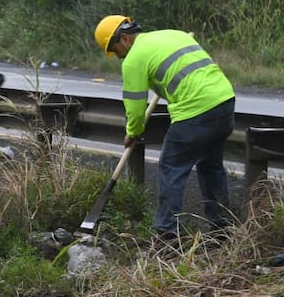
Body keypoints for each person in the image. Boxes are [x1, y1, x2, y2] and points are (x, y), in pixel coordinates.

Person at [93, 15, 236, 240]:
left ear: (125, 38)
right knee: (210, 166)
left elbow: (135, 106)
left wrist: (133, 132)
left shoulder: (133, 59)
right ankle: (223, 229)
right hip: (225, 103)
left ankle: (167, 235)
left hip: (195, 111)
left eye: (115, 49)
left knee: (171, 167)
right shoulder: (172, 34)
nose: (117, 56)